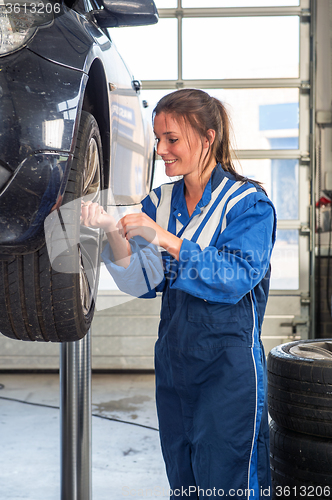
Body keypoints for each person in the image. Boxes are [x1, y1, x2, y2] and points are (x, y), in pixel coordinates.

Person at [81, 88, 276, 500]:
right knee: (184, 483)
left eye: (172, 139)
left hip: (228, 372)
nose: (161, 150)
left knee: (228, 486)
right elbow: (144, 282)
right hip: (175, 366)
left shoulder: (248, 205)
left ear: (208, 139)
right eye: (157, 139)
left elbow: (235, 276)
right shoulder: (160, 201)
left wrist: (166, 239)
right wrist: (112, 231)